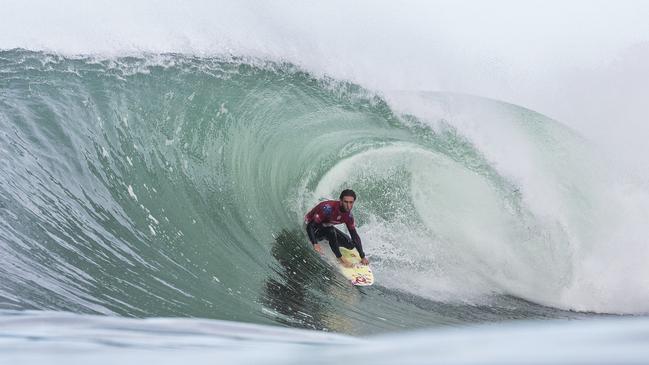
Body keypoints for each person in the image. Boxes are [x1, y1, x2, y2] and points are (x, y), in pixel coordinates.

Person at [304, 189, 369, 268]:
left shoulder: (348, 216)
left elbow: (354, 235)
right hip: (313, 230)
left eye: (351, 202)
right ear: (340, 201)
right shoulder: (327, 209)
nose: (348, 206)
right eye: (346, 202)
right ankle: (340, 258)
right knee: (331, 231)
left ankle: (331, 243)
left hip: (325, 228)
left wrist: (362, 256)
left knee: (350, 244)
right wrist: (315, 243)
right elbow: (310, 226)